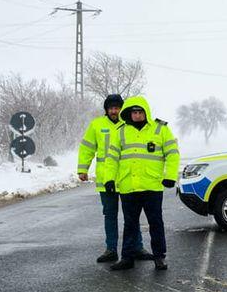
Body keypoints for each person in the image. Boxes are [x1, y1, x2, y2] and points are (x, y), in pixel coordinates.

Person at [104, 95, 180, 271]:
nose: (137, 115)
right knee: (130, 224)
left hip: (152, 185)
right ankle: (127, 258)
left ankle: (159, 257)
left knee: (156, 223)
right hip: (128, 186)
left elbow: (173, 153)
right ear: (128, 114)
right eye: (133, 112)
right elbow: (112, 158)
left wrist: (170, 175)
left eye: (140, 112)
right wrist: (109, 178)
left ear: (146, 112)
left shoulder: (160, 129)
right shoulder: (121, 132)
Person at [77, 94, 151, 263]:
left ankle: (137, 247)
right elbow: (87, 147)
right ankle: (111, 249)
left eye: (117, 108)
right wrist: (82, 168)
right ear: (106, 110)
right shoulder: (97, 125)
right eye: (110, 108)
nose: (113, 111)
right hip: (106, 181)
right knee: (109, 215)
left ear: (121, 109)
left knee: (131, 216)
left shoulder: (129, 125)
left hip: (127, 180)